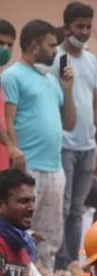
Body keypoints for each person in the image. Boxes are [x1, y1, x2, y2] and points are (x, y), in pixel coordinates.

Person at [1, 19, 76, 271]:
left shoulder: (52, 80)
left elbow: (69, 123)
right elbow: (7, 120)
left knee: (50, 237)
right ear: (34, 46)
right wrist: (13, 150)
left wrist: (68, 90)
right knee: (23, 231)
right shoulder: (12, 76)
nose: (56, 51)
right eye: (51, 45)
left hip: (55, 168)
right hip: (29, 166)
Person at [53, 2, 97, 270]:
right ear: (66, 28)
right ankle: (60, 264)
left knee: (76, 210)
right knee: (62, 208)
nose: (85, 31)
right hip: (63, 145)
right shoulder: (55, 59)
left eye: (88, 26)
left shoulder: (91, 59)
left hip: (87, 146)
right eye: (79, 26)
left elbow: (96, 106)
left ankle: (73, 262)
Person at [0, 20, 19, 171]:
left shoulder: (3, 78)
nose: (5, 48)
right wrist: (10, 145)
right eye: (0, 43)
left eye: (9, 45)